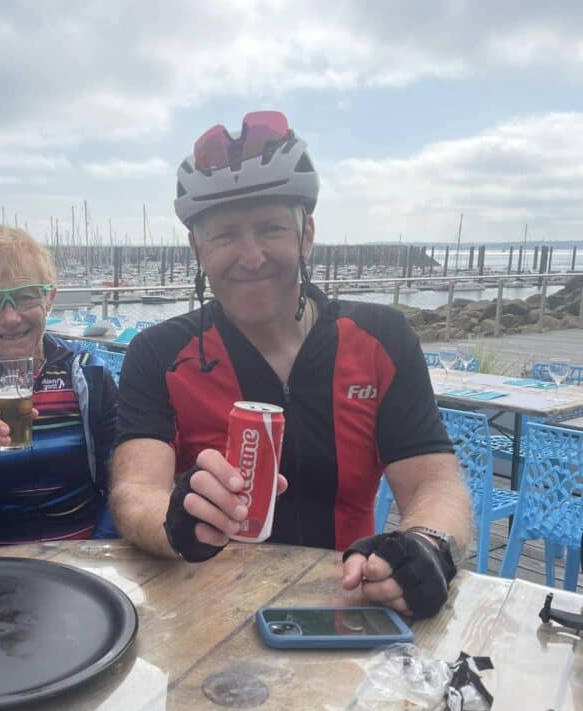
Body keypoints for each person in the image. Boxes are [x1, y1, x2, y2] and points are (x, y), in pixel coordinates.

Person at [110, 111, 470, 619]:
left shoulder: (381, 339)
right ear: (197, 249)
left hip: (349, 603)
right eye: (225, 235)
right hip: (208, 617)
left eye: (271, 228)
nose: (252, 256)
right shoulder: (158, 354)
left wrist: (427, 545)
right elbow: (134, 491)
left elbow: (435, 482)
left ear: (306, 235)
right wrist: (175, 517)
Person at [0, 226, 118, 545]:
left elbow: (121, 483)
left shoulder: (88, 373)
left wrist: (96, 554)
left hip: (81, 559)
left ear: (49, 299)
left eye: (24, 297)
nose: (10, 317)